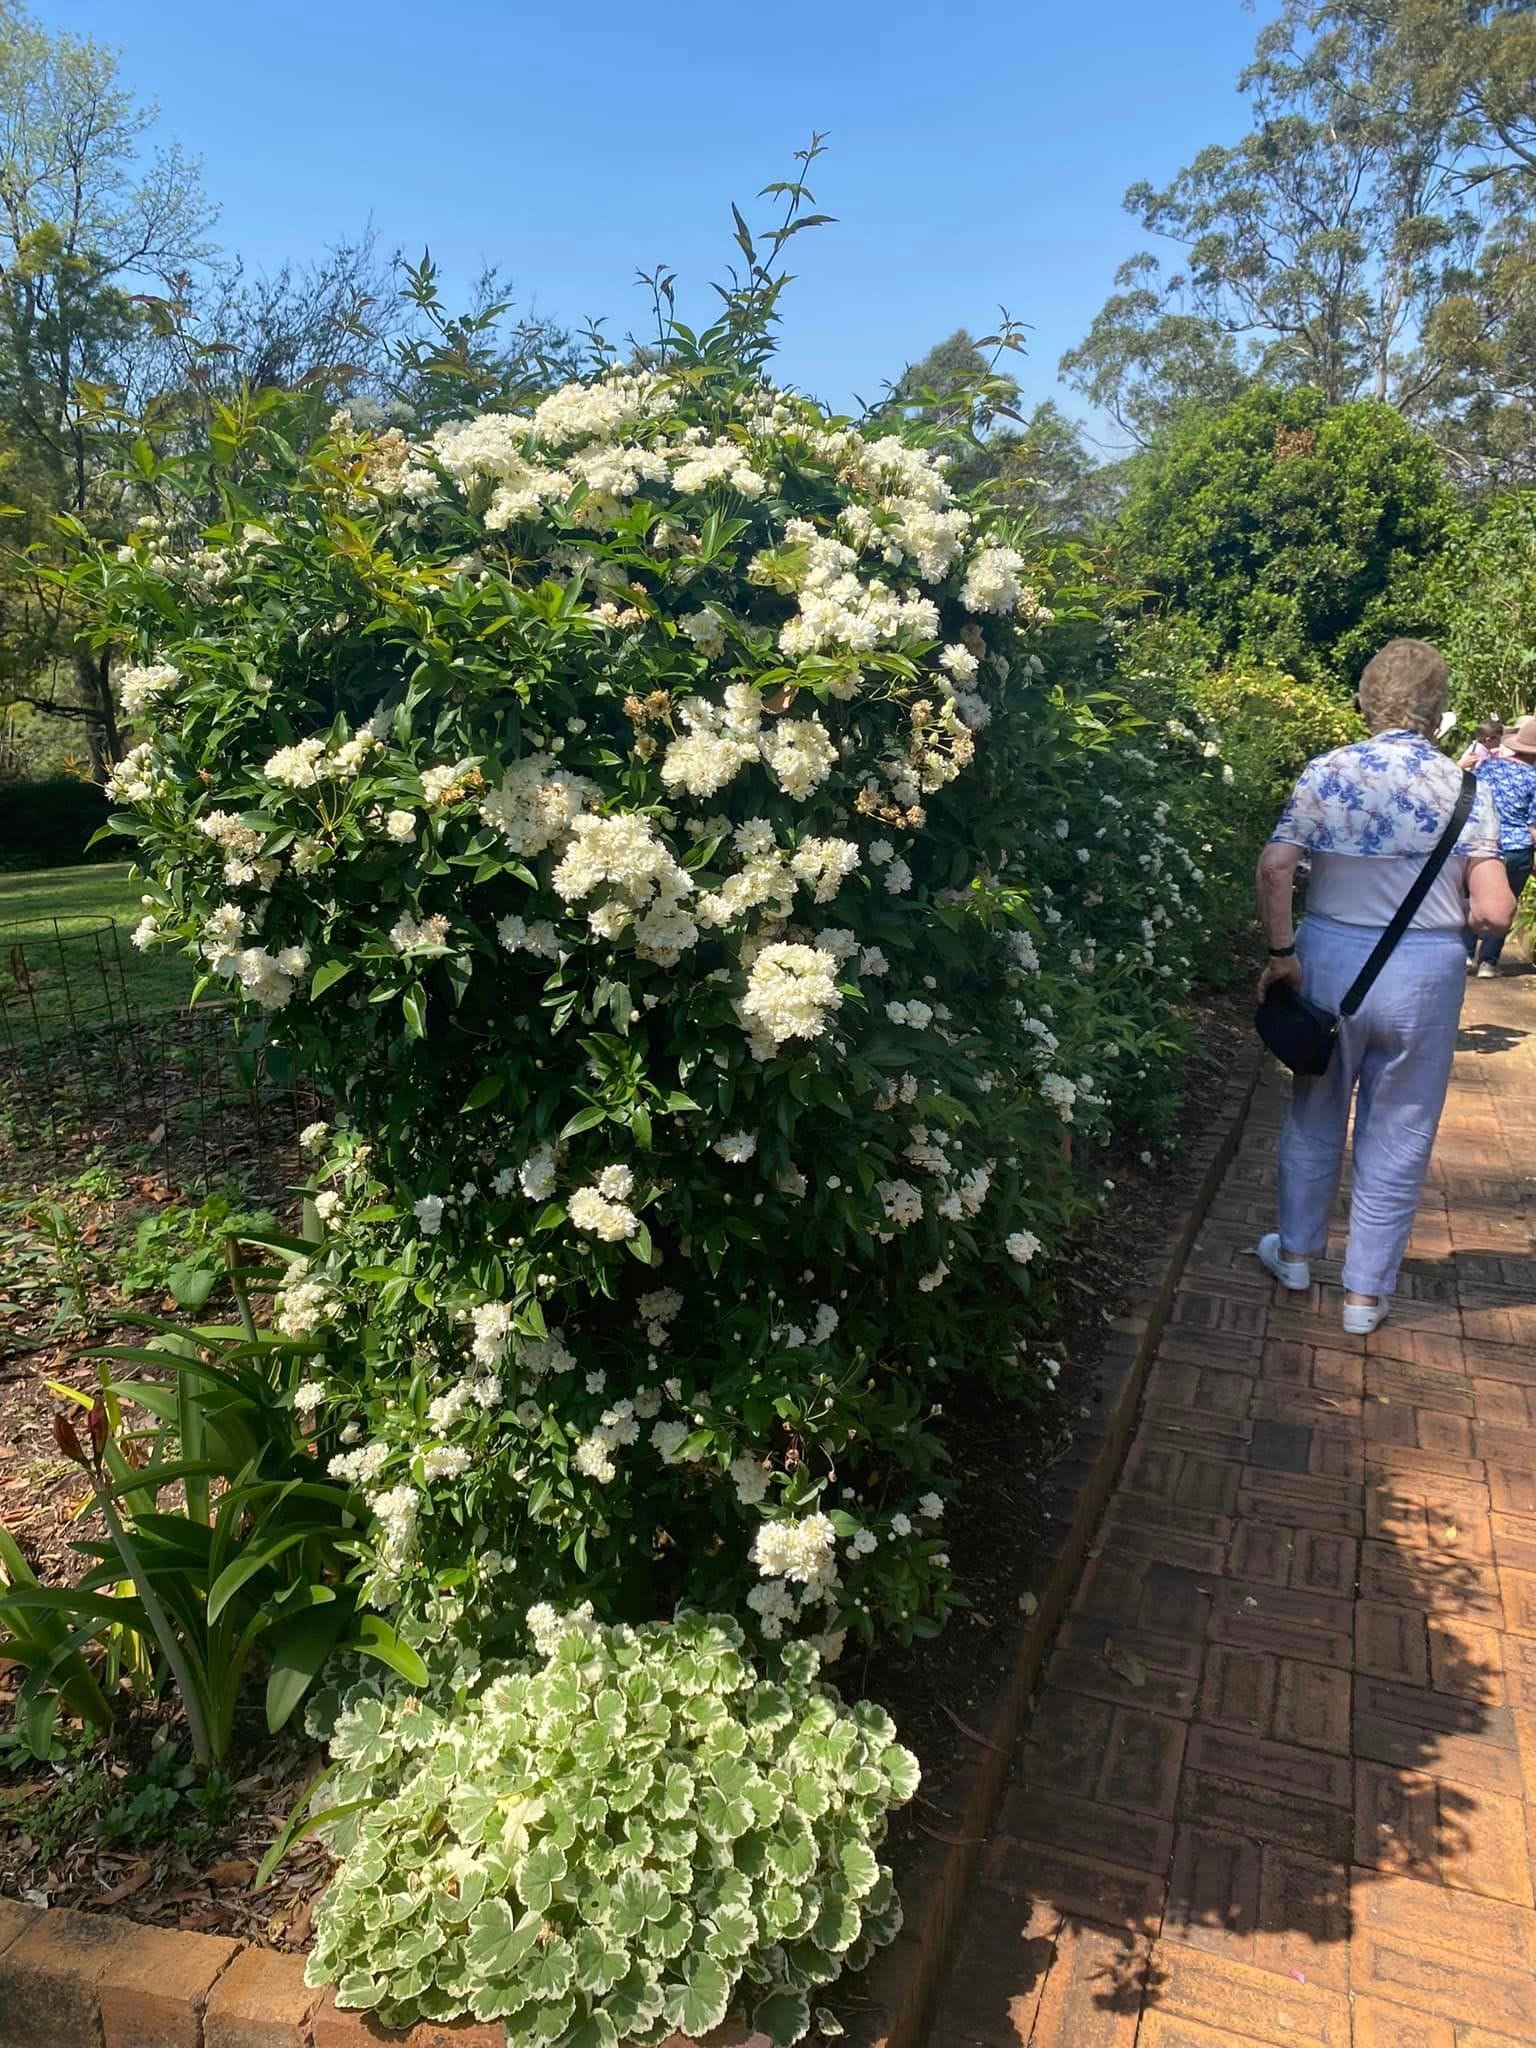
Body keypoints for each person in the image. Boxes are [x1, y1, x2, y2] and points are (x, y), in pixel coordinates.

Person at [1253, 640, 1514, 1336]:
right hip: (1424, 975)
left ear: (1367, 699)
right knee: (1399, 1128)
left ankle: (1299, 1256)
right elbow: (1494, 913)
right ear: (1436, 709)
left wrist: (1282, 953)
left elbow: (1277, 867)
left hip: (1330, 959)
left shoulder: (1329, 771)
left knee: (1314, 1106)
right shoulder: (1466, 789)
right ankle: (1365, 1296)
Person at [1466, 714, 1536, 976]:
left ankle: (1466, 954)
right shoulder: (1533, 778)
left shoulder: (1488, 767)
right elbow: (1533, 825)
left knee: (1473, 896)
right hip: (1518, 849)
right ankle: (1488, 962)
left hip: (1485, 844)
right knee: (1506, 904)